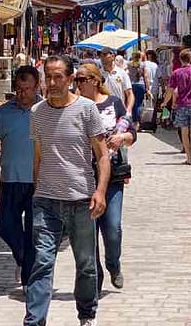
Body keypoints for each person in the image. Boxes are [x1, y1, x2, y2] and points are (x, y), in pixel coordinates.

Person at [25, 56, 109, 326]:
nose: (52, 82)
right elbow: (38, 156)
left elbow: (102, 156)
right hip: (46, 201)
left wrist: (100, 191)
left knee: (85, 263)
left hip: (80, 200)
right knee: (41, 262)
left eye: (59, 76)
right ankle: (34, 321)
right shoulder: (37, 112)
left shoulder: (86, 110)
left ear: (71, 78)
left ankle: (86, 314)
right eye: (48, 77)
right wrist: (35, 189)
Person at [75, 60, 135, 291]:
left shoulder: (113, 103)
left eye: (81, 79)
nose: (77, 84)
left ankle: (113, 263)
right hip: (83, 176)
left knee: (112, 228)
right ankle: (95, 274)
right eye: (76, 80)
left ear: (95, 80)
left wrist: (123, 138)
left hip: (112, 175)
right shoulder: (75, 105)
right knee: (88, 232)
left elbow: (131, 132)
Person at [0, 66, 41, 289]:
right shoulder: (3, 112)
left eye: (27, 89)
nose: (22, 93)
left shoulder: (46, 110)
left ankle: (28, 280)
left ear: (37, 87)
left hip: (37, 181)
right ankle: (24, 259)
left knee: (33, 232)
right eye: (18, 89)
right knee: (6, 226)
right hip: (10, 179)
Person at [162, 48, 191, 164]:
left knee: (184, 131)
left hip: (181, 104)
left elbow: (171, 91)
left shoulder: (176, 73)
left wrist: (165, 103)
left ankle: (189, 158)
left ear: (180, 59)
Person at [98, 47, 134, 118]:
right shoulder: (98, 74)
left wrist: (128, 110)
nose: (102, 57)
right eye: (100, 55)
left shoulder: (122, 73)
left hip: (119, 112)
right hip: (104, 112)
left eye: (105, 55)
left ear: (112, 56)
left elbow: (129, 94)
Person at [128, 51, 148, 124]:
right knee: (139, 103)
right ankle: (140, 120)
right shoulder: (143, 64)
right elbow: (145, 76)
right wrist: (147, 88)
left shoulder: (129, 64)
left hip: (131, 85)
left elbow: (124, 71)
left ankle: (135, 121)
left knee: (133, 103)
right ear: (140, 57)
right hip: (141, 85)